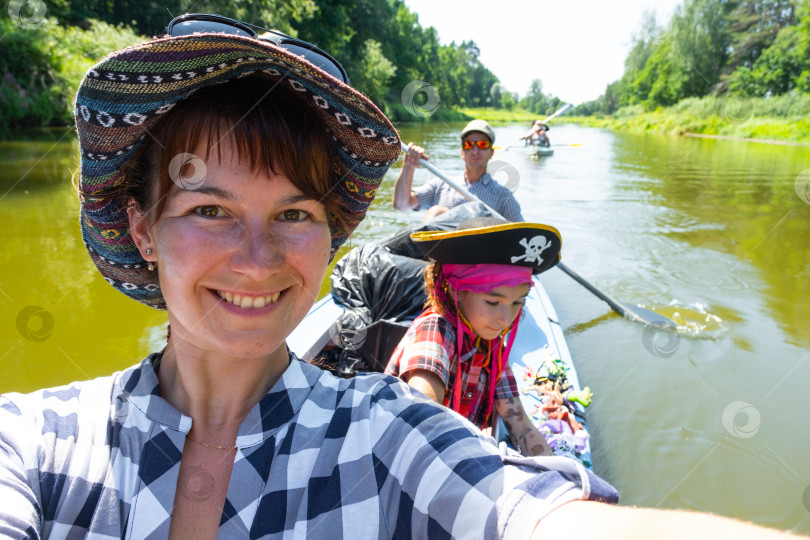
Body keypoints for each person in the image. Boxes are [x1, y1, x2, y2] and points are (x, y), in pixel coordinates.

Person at [0, 14, 803, 540]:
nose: (258, 258)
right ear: (141, 225)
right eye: (210, 210)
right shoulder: (31, 445)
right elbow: (415, 216)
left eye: (294, 213)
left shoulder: (382, 434)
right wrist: (416, 176)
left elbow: (531, 515)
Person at [385, 218, 561, 457]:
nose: (505, 318)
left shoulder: (491, 343)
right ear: (454, 292)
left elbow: (519, 422)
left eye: (518, 302)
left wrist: (553, 469)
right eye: (492, 301)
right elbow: (423, 426)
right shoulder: (434, 331)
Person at [393, 119, 524, 222]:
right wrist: (408, 166)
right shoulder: (442, 185)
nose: (475, 150)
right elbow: (401, 204)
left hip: (480, 252)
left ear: (491, 153)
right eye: (469, 145)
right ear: (462, 152)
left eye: (482, 145)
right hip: (440, 252)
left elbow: (525, 236)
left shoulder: (504, 197)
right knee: (436, 212)